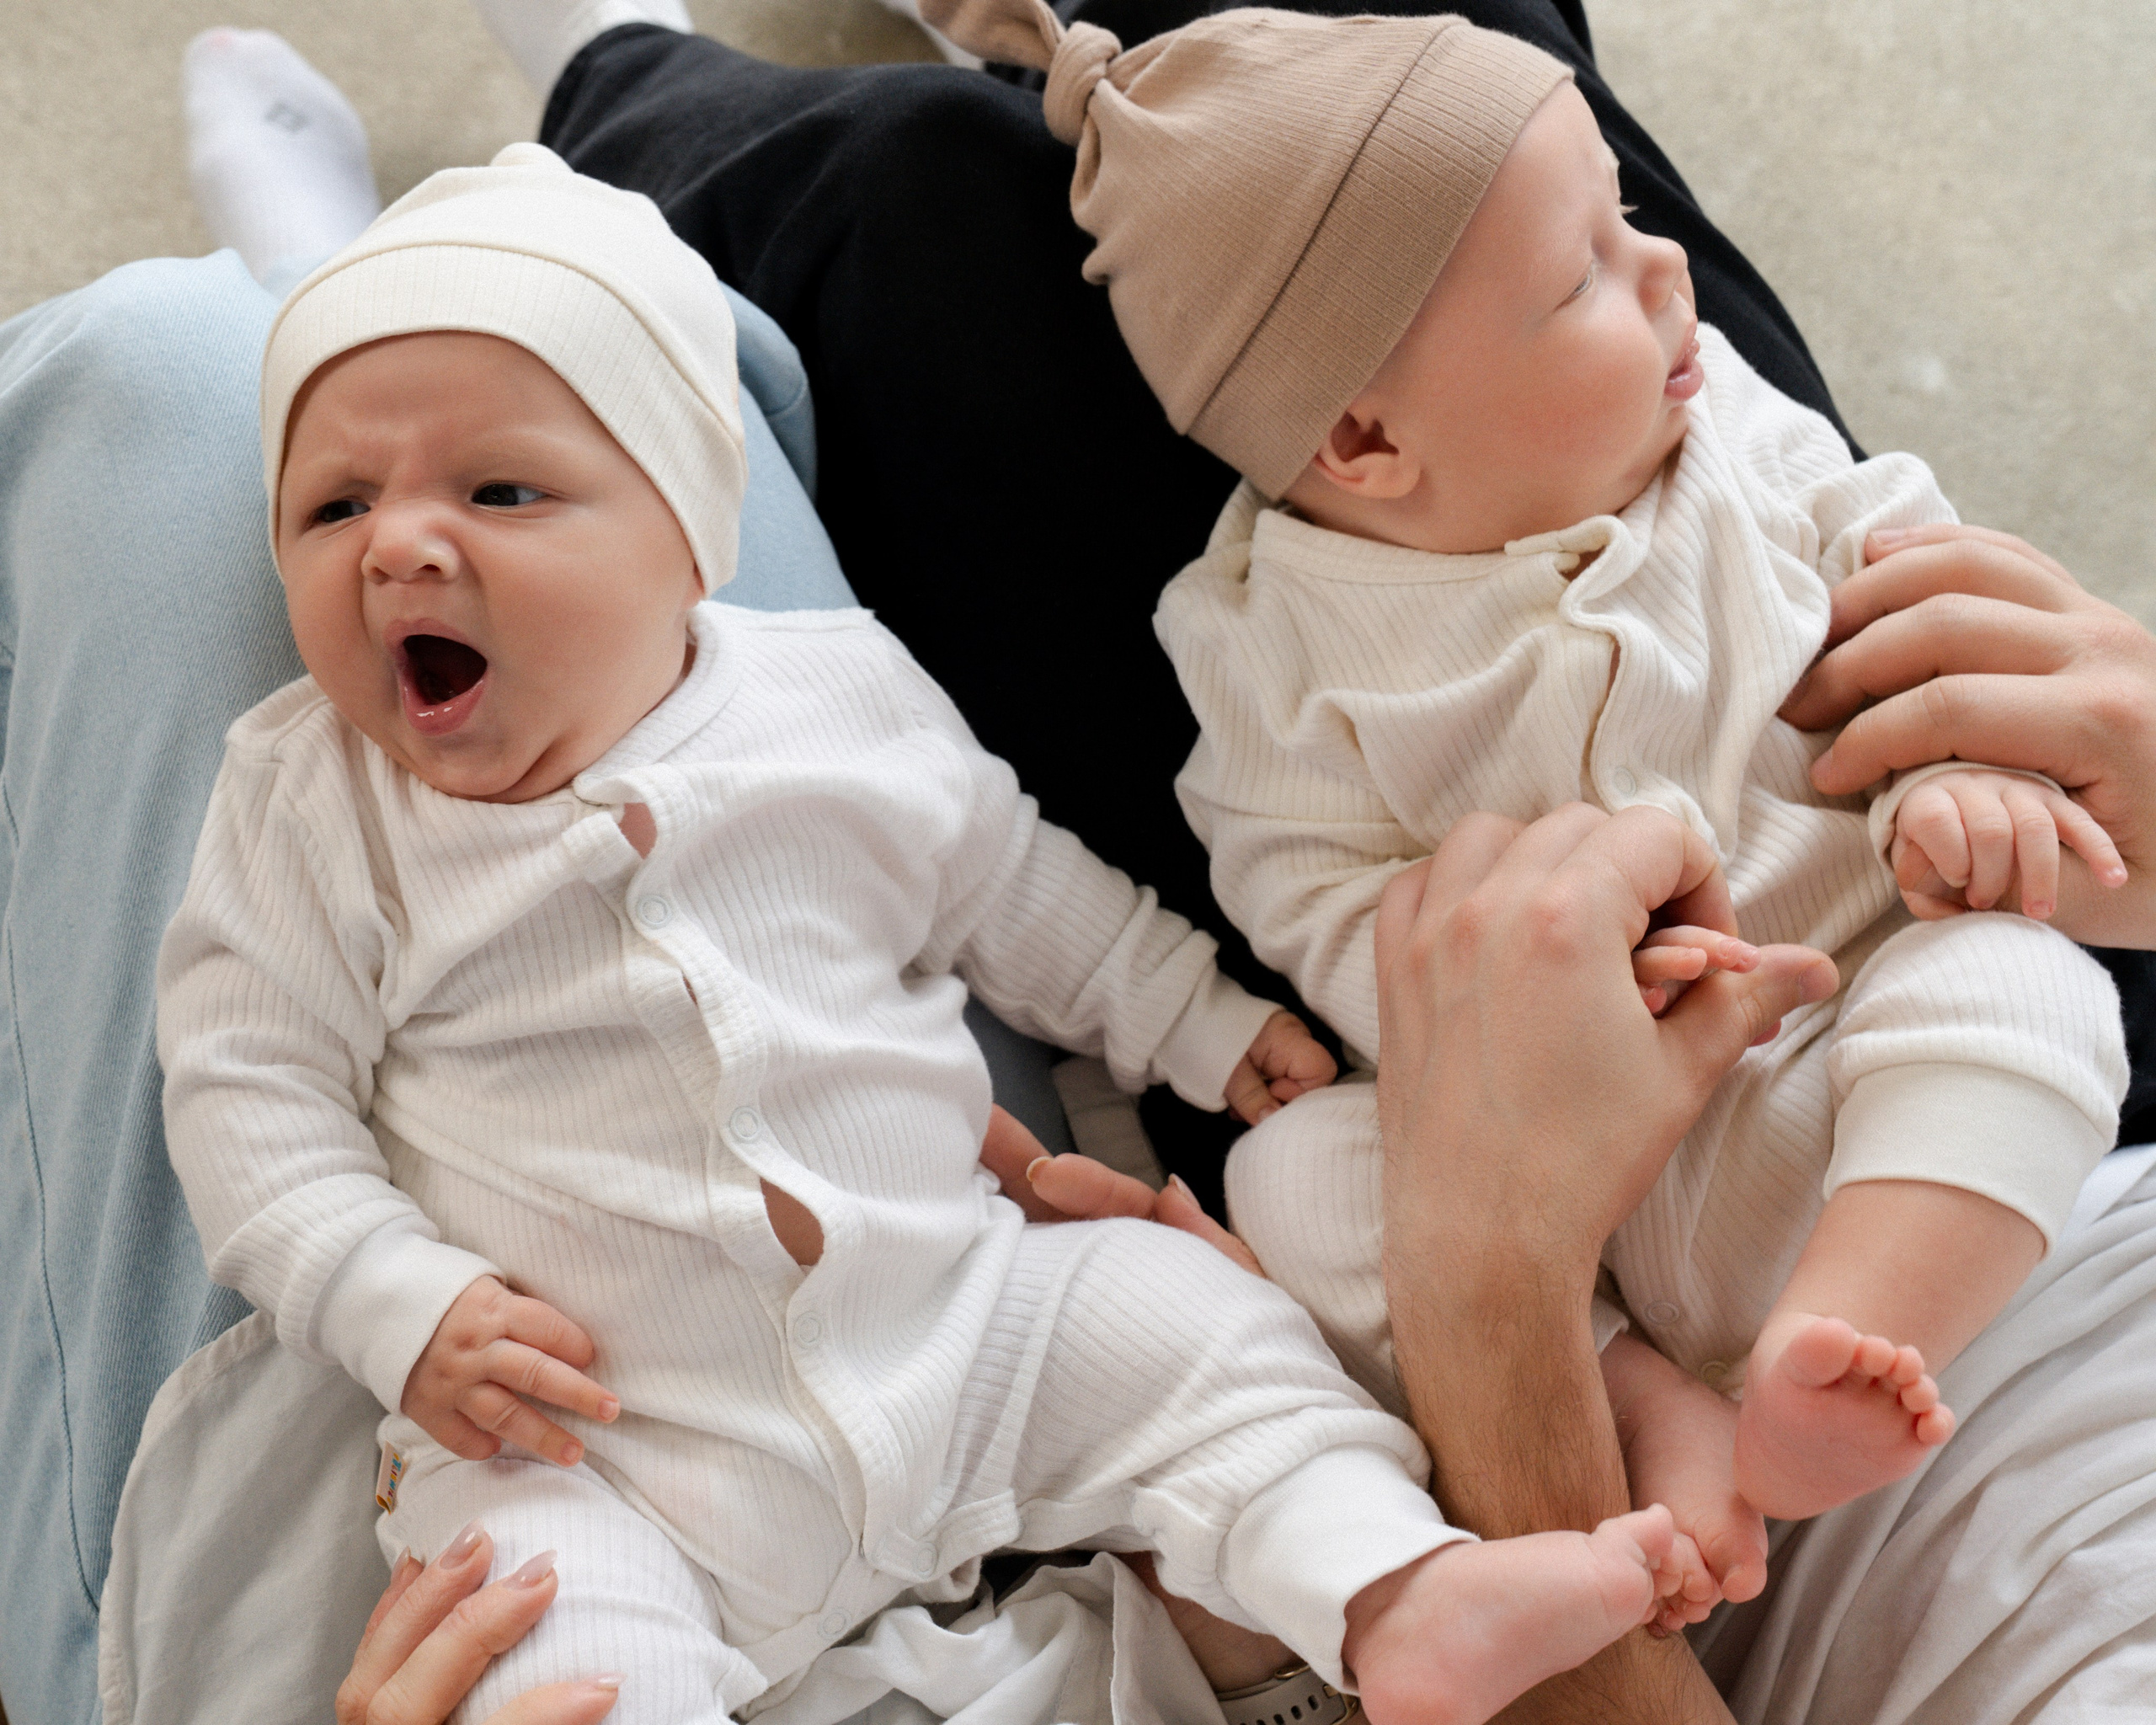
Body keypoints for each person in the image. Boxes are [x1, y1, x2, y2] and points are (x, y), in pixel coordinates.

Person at [158, 139, 1695, 1725]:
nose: (399, 545)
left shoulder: (831, 694)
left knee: (1202, 1341)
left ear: (689, 539)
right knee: (526, 1609)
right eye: (331, 505)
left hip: (965, 1322)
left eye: (501, 489)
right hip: (601, 1445)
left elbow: (1006, 886)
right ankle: (344, 247)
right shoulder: (307, 802)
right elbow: (243, 1093)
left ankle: (1392, 1589)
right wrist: (391, 1302)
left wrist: (1197, 1021)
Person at [893, 0, 2132, 1621]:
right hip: (1567, 1208)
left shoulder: (1732, 437)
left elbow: (1917, 589)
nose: (1666, 269)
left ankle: (1848, 1345)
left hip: (1845, 1064)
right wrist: (1487, 996)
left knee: (2026, 984)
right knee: (1303, 1175)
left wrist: (1960, 781)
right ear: (1362, 438)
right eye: (1587, 273)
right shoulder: (1269, 641)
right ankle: (1647, 1400)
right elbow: (1298, 883)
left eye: (1631, 217)